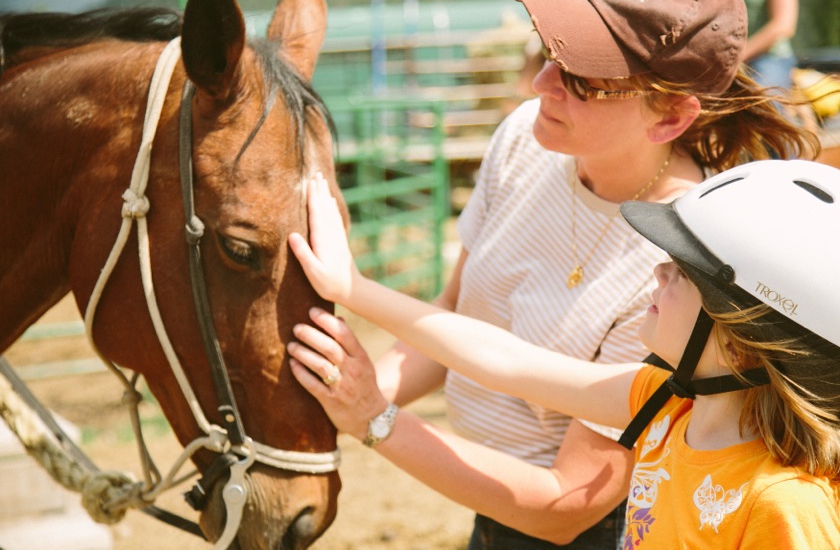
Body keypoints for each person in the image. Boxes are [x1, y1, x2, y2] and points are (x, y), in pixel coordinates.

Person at [299, 0, 819, 547]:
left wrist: (373, 416)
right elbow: (465, 321)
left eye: (583, 82)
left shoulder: (684, 270)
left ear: (670, 116)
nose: (540, 85)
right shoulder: (527, 136)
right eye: (549, 54)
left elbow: (565, 502)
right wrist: (331, 402)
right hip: (482, 499)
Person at [287, 159, 840, 548]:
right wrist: (351, 288)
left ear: (742, 345)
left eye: (681, 273)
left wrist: (373, 415)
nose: (656, 272)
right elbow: (505, 361)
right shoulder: (666, 404)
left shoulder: (784, 504)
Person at [741, 0, 799, 92]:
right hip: (725, 59)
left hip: (769, 57)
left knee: (762, 97)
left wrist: (738, 56)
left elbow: (783, 25)